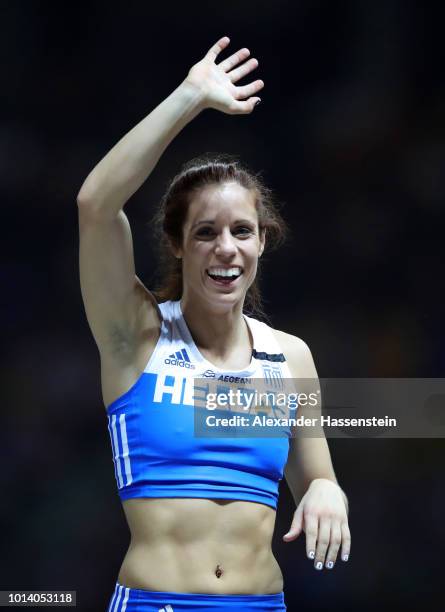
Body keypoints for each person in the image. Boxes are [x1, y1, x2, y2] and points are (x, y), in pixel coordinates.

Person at [77, 36, 351, 612]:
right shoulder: (137, 336)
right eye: (205, 232)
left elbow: (315, 475)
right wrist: (190, 96)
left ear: (262, 241)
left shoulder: (291, 357)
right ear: (178, 244)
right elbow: (96, 205)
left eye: (242, 232)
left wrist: (327, 492)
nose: (225, 249)